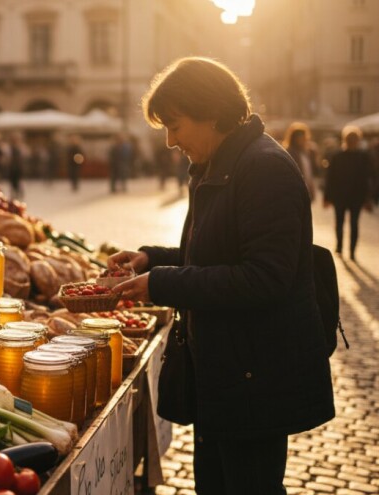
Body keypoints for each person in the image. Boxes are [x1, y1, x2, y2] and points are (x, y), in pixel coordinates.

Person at [109, 57, 334, 495]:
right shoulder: (219, 163)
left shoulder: (263, 168)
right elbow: (213, 253)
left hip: (255, 377)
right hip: (225, 372)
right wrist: (150, 259)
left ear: (211, 112)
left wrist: (162, 283)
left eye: (175, 125)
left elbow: (264, 277)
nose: (171, 141)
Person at [324, 125, 375, 261]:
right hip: (355, 197)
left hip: (342, 196)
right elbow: (368, 178)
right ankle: (349, 251)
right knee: (353, 224)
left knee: (342, 222)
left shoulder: (338, 156)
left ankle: (341, 248)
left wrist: (327, 197)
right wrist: (368, 198)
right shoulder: (362, 157)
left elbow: (330, 178)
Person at [282, 122, 318, 201]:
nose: (301, 139)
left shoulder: (307, 152)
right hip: (294, 190)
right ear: (293, 138)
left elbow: (310, 173)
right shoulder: (288, 152)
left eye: (303, 137)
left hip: (306, 189)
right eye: (298, 137)